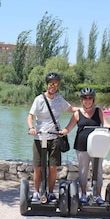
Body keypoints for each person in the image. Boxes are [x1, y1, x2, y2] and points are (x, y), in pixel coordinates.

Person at [60, 87, 110, 204]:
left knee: (98, 170)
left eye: (90, 98)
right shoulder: (77, 114)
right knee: (83, 170)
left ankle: (98, 195)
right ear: (82, 100)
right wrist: (62, 132)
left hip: (97, 146)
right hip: (82, 146)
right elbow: (69, 127)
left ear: (93, 100)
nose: (88, 101)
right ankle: (83, 194)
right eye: (85, 98)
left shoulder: (98, 111)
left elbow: (106, 123)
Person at [27, 72, 77, 202]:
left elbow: (72, 110)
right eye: (50, 83)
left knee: (53, 167)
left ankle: (50, 192)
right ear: (47, 85)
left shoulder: (60, 100)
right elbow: (30, 116)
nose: (53, 86)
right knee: (38, 167)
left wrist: (87, 109)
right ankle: (36, 192)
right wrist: (31, 128)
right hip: (39, 137)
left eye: (55, 84)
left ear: (58, 86)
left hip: (54, 137)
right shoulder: (39, 99)